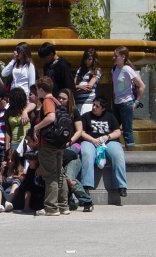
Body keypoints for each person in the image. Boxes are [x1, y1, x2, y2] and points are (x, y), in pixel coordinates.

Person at [33, 77, 70, 216]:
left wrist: (36, 127)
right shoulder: (56, 100)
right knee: (60, 174)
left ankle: (51, 207)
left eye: (37, 89)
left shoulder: (48, 101)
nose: (37, 92)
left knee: (50, 175)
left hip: (48, 144)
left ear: (42, 89)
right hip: (59, 143)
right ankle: (63, 205)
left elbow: (51, 117)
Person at [80, 96, 128, 197]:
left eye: (97, 106)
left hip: (108, 141)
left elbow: (118, 131)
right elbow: (81, 132)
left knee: (118, 155)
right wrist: (92, 140)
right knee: (87, 154)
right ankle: (86, 185)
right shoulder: (85, 116)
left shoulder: (110, 116)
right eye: (93, 105)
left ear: (103, 108)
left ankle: (121, 186)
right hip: (90, 140)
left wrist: (107, 137)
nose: (94, 107)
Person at [112, 46, 146, 148]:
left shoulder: (127, 69)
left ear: (123, 57)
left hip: (127, 103)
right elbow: (118, 86)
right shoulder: (114, 68)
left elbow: (142, 86)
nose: (113, 57)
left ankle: (131, 158)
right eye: (113, 55)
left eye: (116, 56)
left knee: (127, 131)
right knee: (114, 129)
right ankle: (116, 151)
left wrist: (136, 102)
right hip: (116, 103)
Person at [74, 48, 102, 115]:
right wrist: (80, 86)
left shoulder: (96, 71)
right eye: (85, 59)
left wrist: (77, 88)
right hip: (77, 102)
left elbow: (88, 87)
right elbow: (73, 86)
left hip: (88, 103)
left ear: (94, 60)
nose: (87, 61)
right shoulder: (80, 70)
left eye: (89, 59)